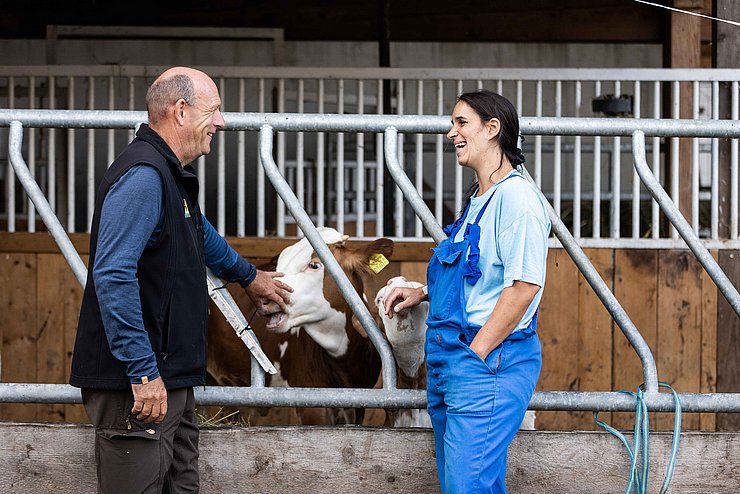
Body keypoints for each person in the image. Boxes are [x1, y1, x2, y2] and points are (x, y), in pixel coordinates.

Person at [70, 66, 292, 493]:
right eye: (215, 111)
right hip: (138, 388)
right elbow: (113, 276)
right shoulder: (143, 177)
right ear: (181, 110)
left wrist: (249, 276)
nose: (222, 123)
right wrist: (142, 371)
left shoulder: (168, 176)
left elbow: (199, 232)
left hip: (169, 381)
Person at [384, 89, 550, 493]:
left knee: (465, 487)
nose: (450, 133)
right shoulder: (478, 199)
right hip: (452, 360)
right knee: (473, 485)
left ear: (493, 129)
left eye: (461, 123)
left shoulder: (518, 199)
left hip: (487, 360)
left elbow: (524, 286)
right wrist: (423, 292)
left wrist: (475, 355)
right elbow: (481, 276)